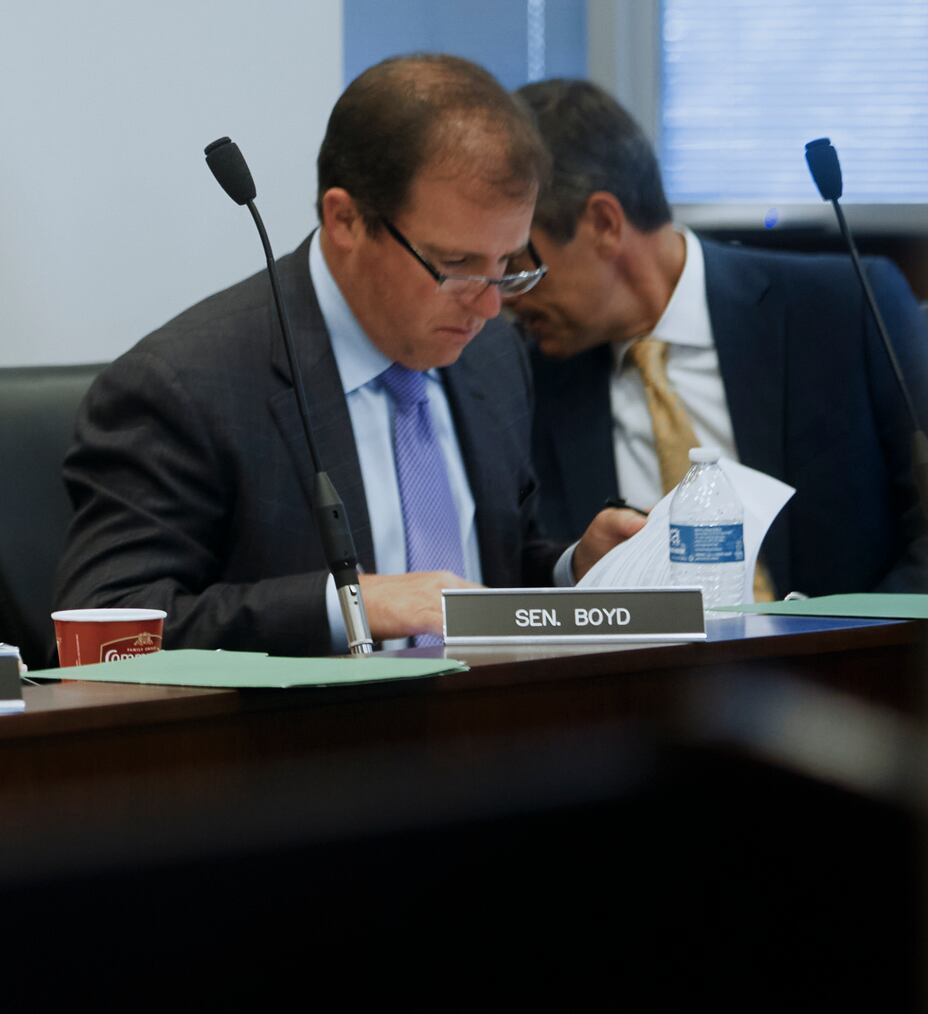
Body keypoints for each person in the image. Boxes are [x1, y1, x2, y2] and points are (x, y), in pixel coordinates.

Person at [54, 55, 641, 655]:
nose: (490, 309)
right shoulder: (185, 388)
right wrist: (350, 605)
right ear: (346, 220)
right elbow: (106, 625)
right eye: (457, 265)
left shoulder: (491, 358)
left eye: (509, 266)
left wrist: (574, 573)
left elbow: (486, 575)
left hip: (495, 734)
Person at [509, 79, 928, 597]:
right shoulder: (522, 381)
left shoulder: (846, 309)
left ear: (603, 223)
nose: (506, 295)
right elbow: (525, 566)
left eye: (518, 262)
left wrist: (848, 650)